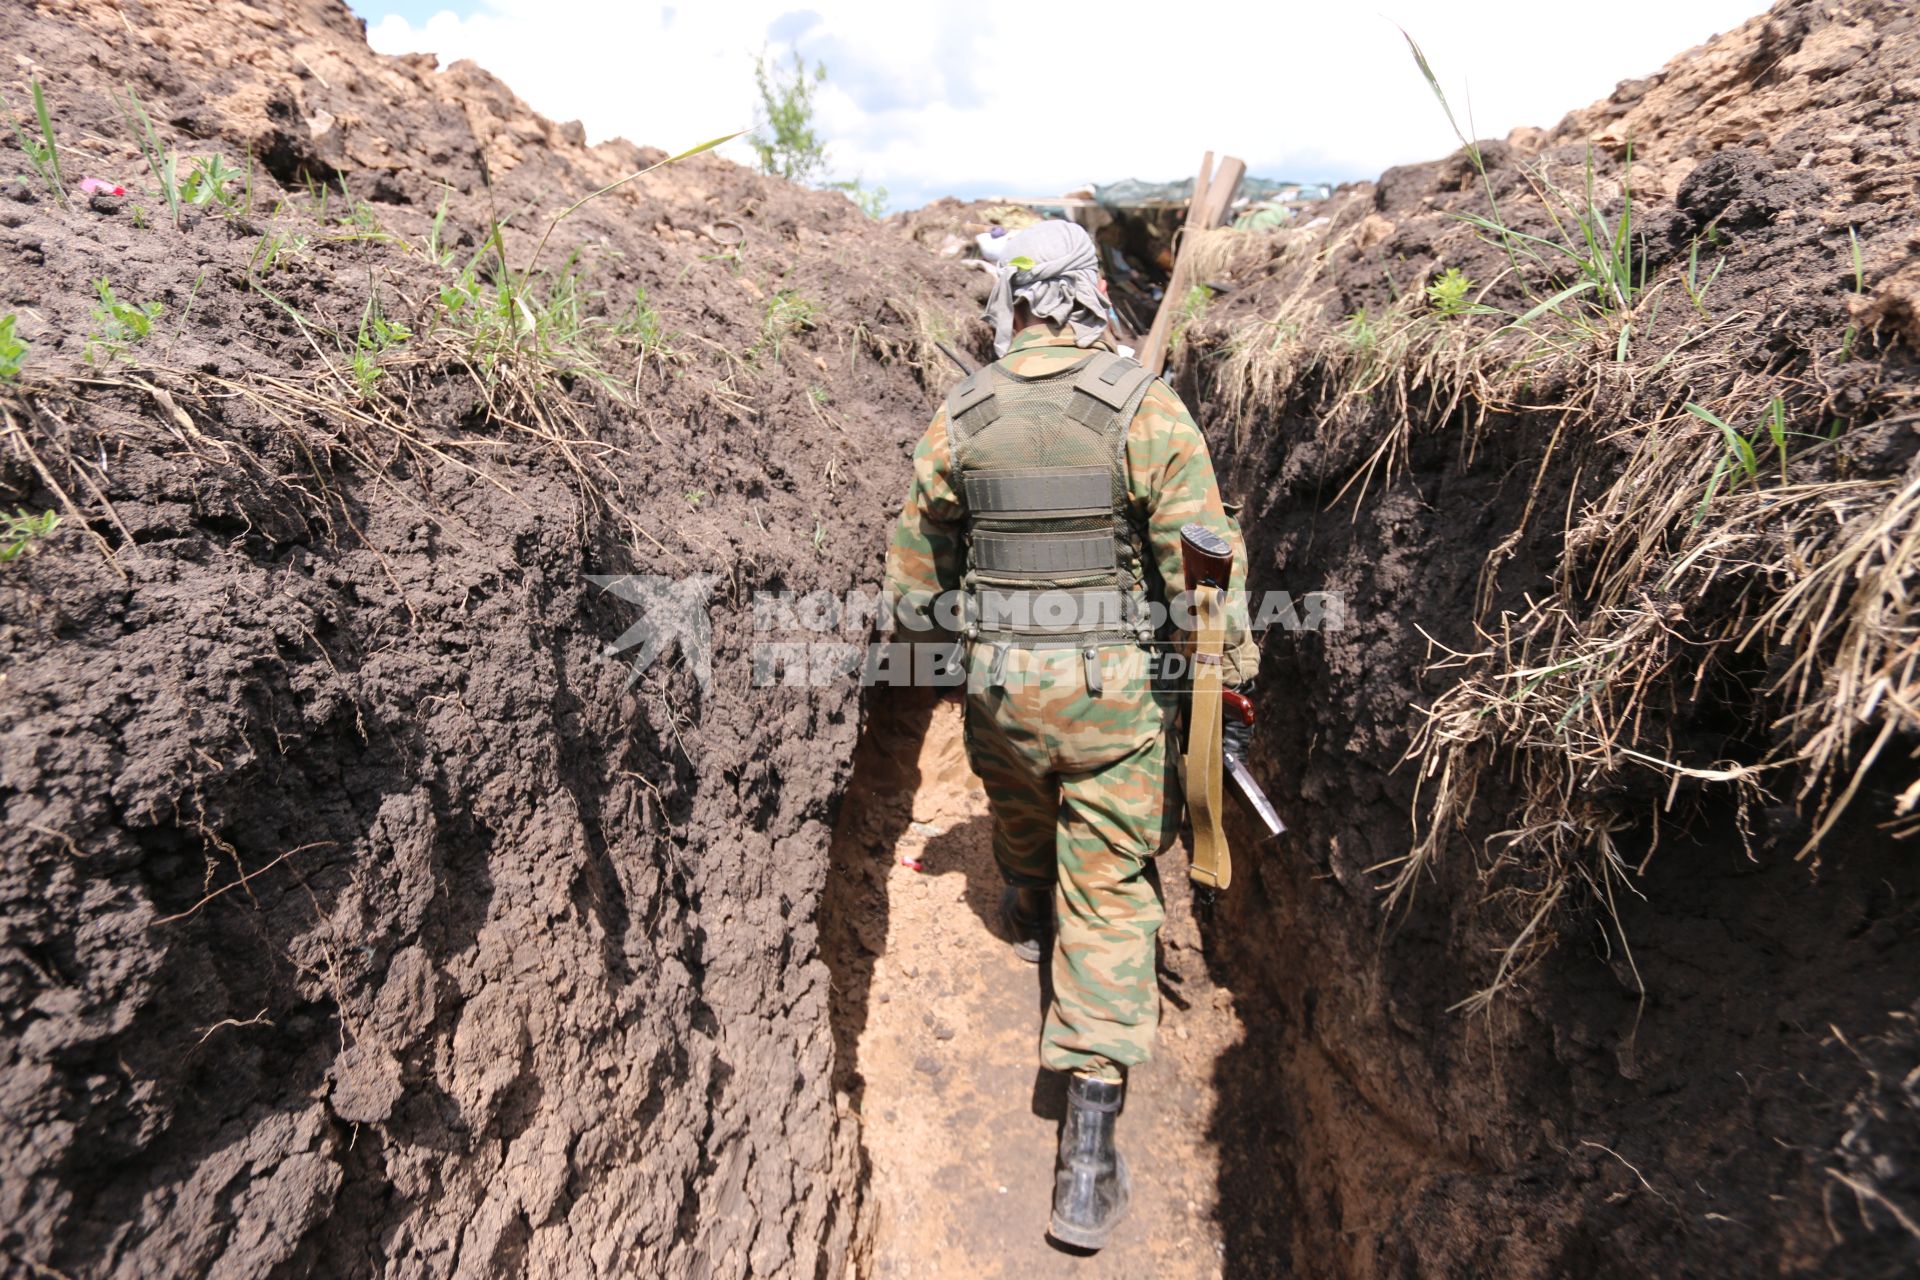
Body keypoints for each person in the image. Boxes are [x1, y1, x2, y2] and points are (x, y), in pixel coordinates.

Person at [884, 219, 1257, 1250]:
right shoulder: (1145, 406)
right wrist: (1223, 689)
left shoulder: (959, 413)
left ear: (1011, 305)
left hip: (1003, 690)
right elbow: (1205, 568)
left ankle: (1023, 896)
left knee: (1017, 806)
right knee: (1113, 891)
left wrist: (975, 648)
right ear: (1088, 292)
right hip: (1114, 700)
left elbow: (914, 589)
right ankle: (1087, 1161)